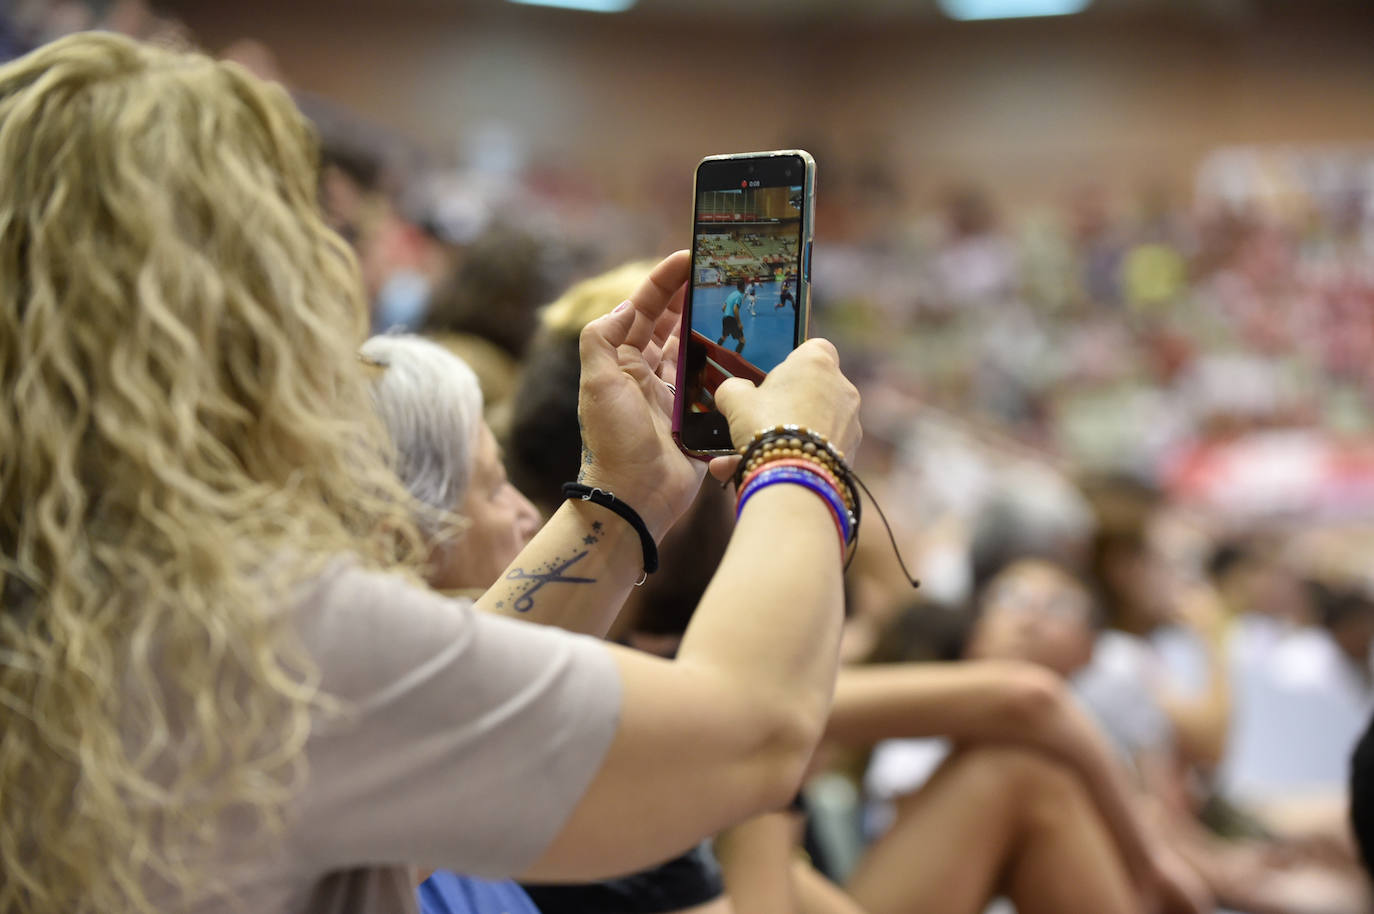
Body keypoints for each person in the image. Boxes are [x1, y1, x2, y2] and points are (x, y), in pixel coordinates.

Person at [0, 33, 863, 914]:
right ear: (244, 312)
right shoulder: (252, 635)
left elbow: (414, 724)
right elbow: (750, 738)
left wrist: (623, 500)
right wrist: (801, 457)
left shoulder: (79, 604)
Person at [718, 279, 747, 354]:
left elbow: (723, 308)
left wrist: (728, 314)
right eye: (745, 286)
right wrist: (739, 323)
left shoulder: (732, 294)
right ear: (743, 286)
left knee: (724, 337)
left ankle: (715, 350)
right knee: (742, 340)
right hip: (732, 319)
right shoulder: (739, 296)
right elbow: (735, 309)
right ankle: (736, 359)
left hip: (725, 318)